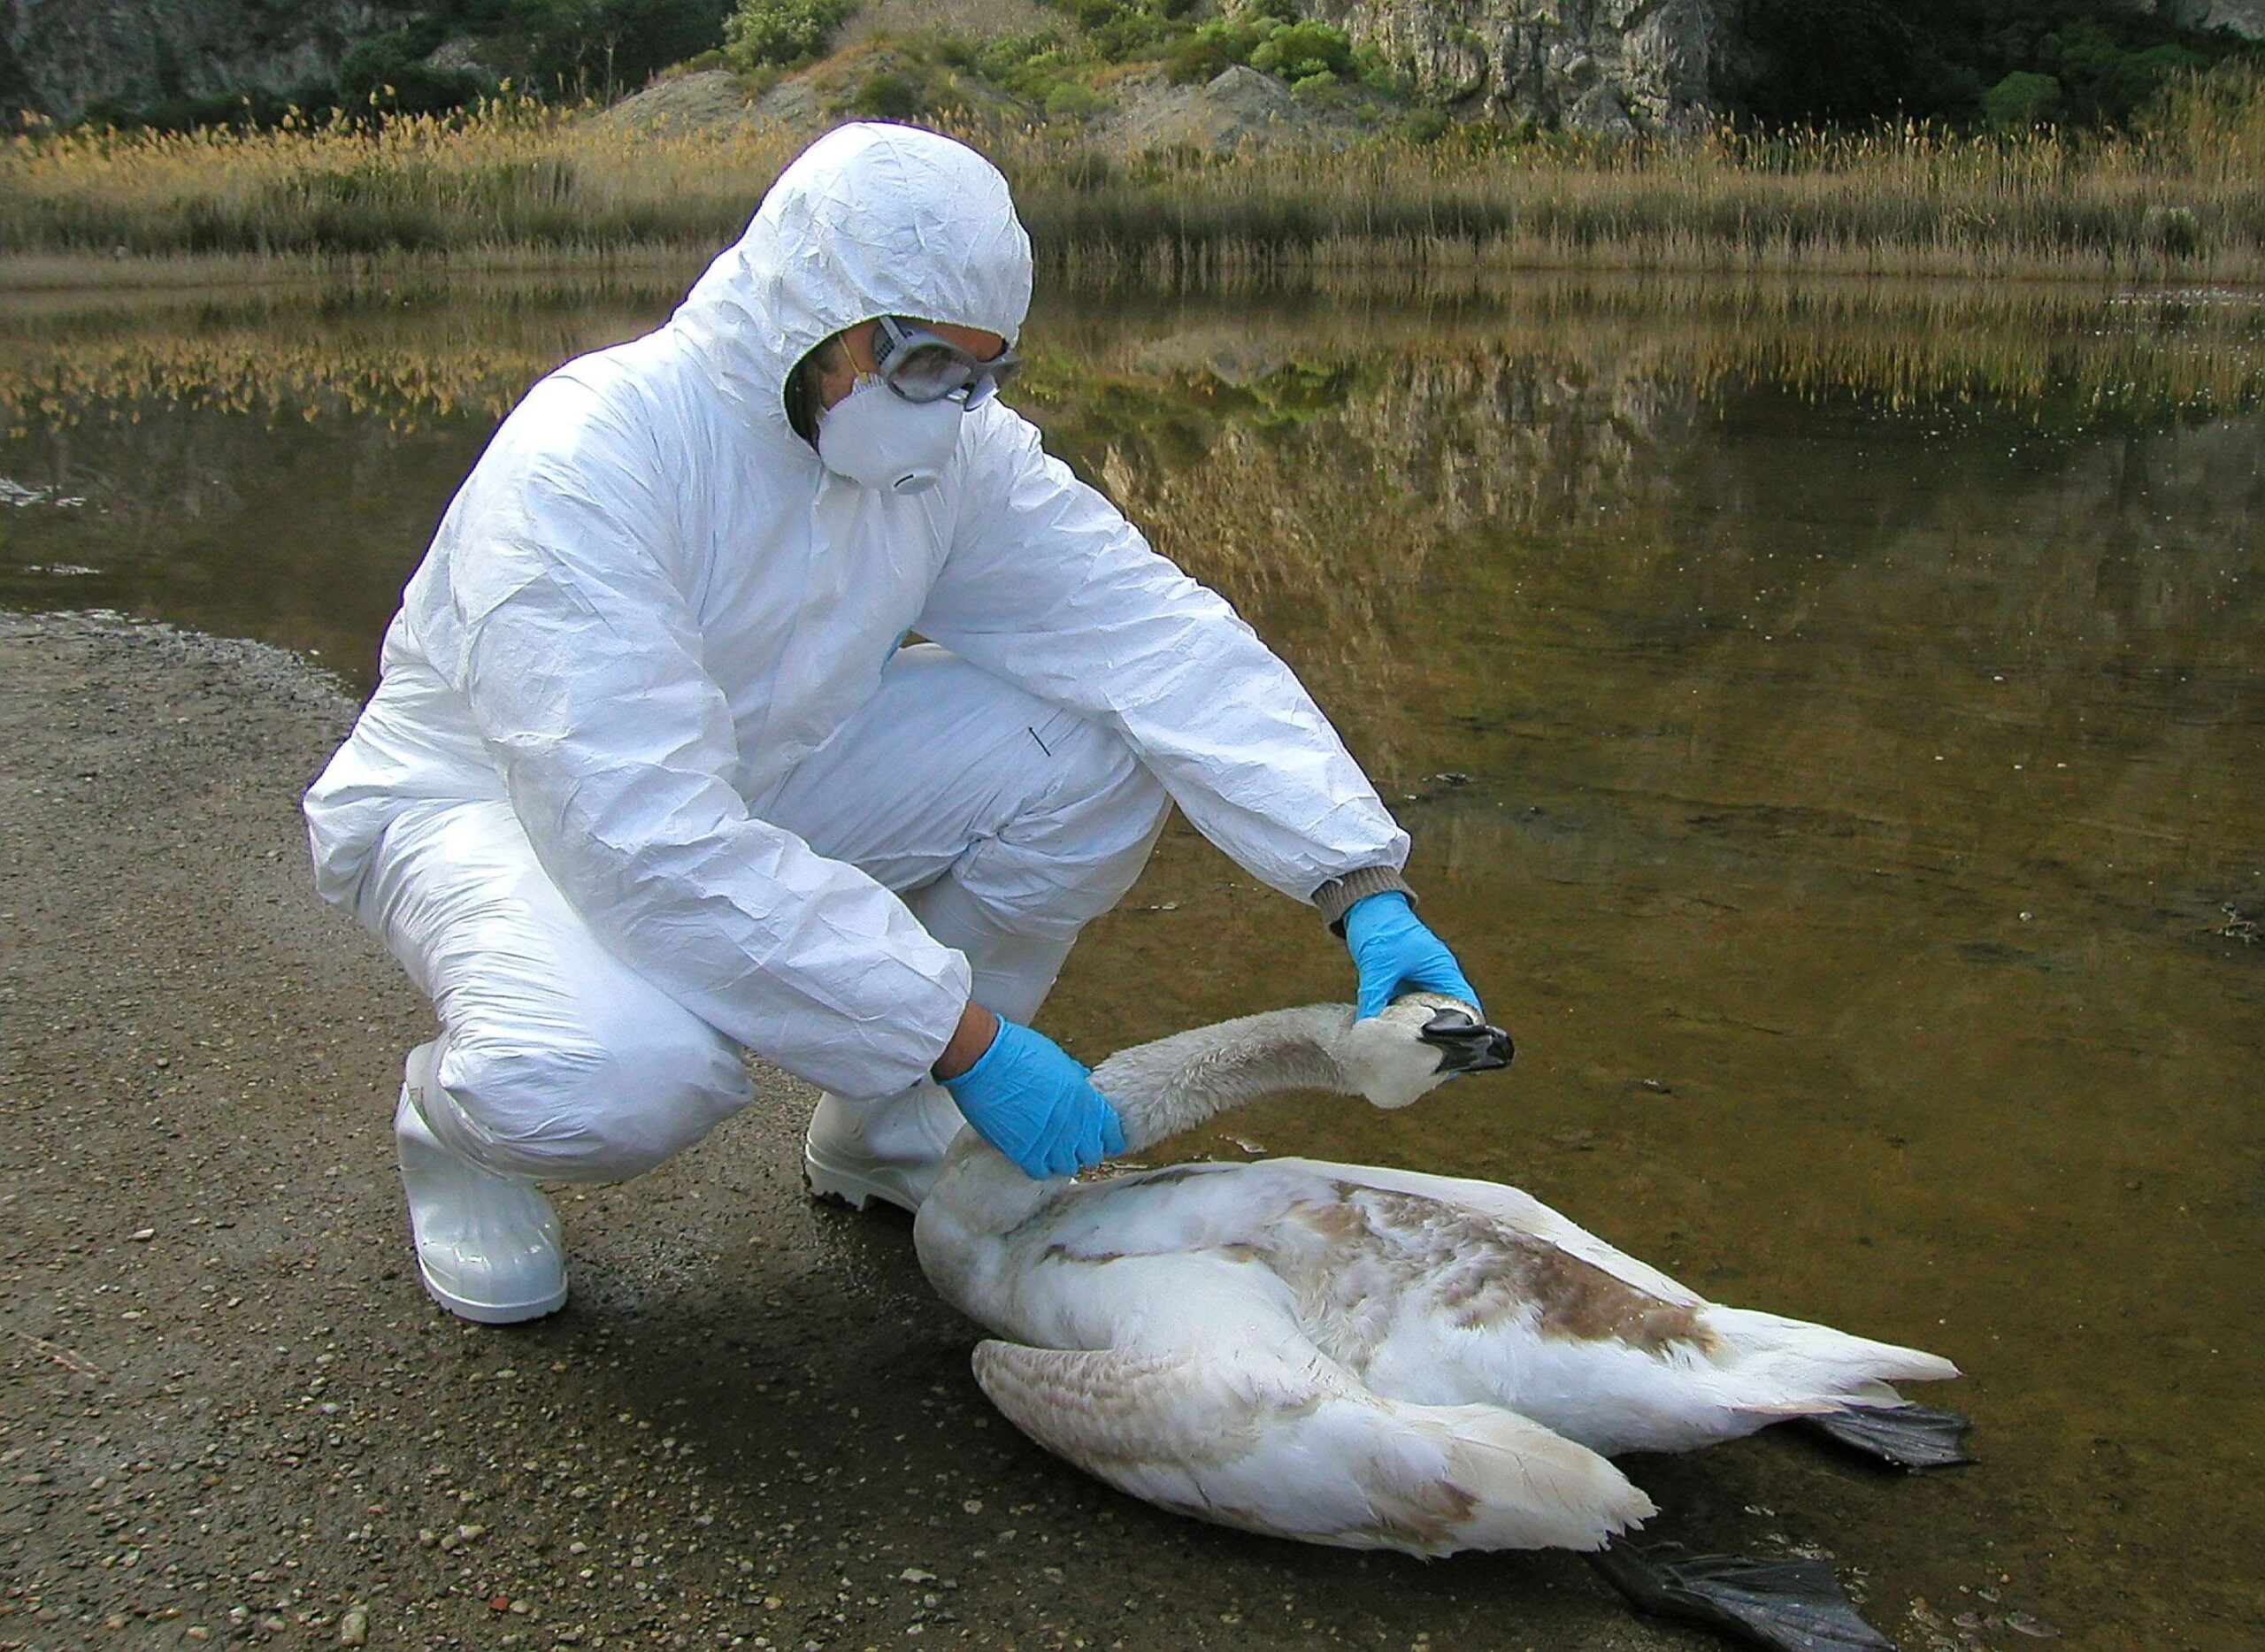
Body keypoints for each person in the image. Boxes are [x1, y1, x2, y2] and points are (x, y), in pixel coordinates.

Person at [303, 122, 1482, 1326]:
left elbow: (1151, 638)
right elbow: (636, 833)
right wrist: (962, 1032)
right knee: (619, 1077)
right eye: (925, 366)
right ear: (818, 315)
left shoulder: (949, 453)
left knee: (1094, 746)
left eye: (985, 375)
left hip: (758, 775)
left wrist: (1358, 880)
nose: (953, 407)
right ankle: (458, 1131)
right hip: (493, 806)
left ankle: (890, 1128)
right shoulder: (592, 460)